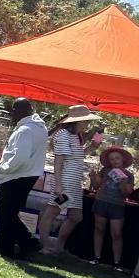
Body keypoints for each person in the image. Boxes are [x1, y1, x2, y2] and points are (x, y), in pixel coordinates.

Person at [37, 105, 102, 255]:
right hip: (65, 183)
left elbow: (77, 156)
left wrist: (93, 147)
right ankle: (44, 246)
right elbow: (58, 161)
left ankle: (58, 247)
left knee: (76, 217)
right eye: (86, 121)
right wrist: (59, 185)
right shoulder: (63, 135)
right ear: (77, 121)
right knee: (52, 212)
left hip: (74, 184)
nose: (88, 124)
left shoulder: (76, 136)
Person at [0, 98, 49, 259]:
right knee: (7, 211)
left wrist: (3, 168)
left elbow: (20, 157)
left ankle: (8, 248)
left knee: (5, 213)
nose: (12, 114)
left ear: (19, 111)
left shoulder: (25, 130)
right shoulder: (39, 128)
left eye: (13, 110)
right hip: (28, 174)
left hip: (16, 175)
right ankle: (26, 243)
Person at [91, 145, 133, 269]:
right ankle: (96, 257)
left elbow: (127, 194)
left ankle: (117, 263)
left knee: (116, 234)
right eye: (112, 159)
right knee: (99, 229)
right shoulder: (105, 170)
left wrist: (123, 183)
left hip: (117, 205)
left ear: (123, 159)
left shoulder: (129, 175)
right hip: (101, 201)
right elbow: (95, 186)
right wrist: (93, 177)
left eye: (117, 158)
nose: (115, 161)